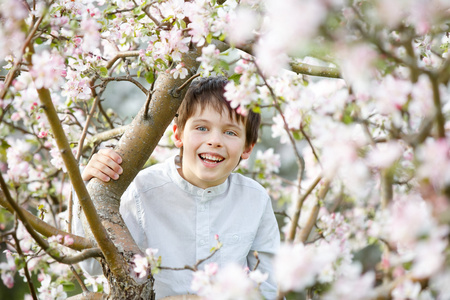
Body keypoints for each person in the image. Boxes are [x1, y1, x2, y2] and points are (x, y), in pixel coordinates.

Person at [75, 76, 280, 299]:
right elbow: (93, 267)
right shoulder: (142, 190)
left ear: (247, 147)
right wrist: (88, 190)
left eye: (230, 132)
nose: (214, 141)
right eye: (201, 127)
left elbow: (269, 286)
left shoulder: (255, 199)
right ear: (178, 134)